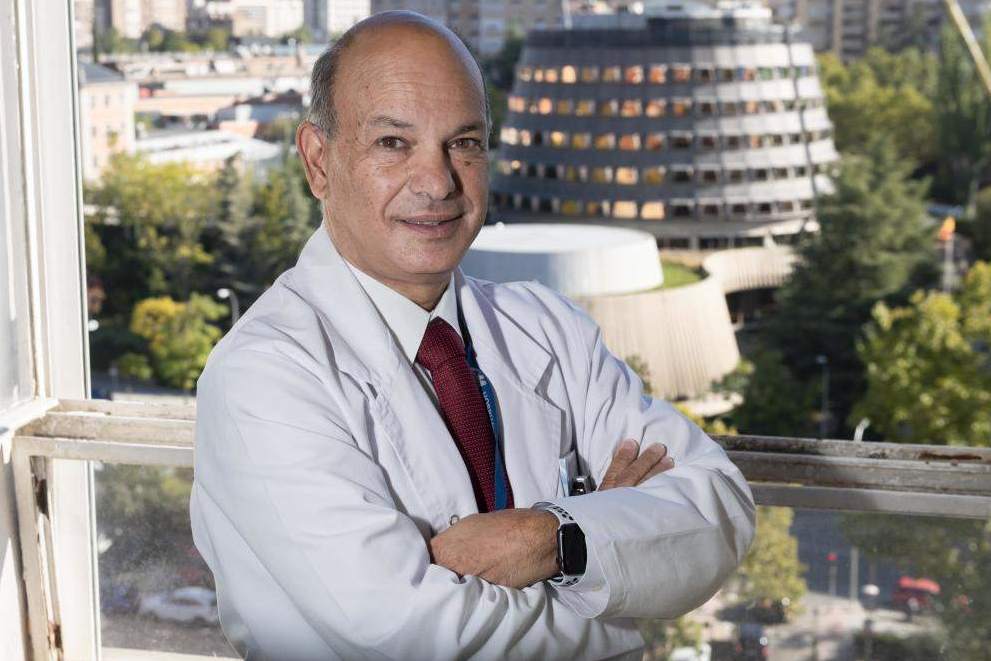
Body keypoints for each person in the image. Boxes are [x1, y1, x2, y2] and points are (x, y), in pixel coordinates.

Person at [190, 11, 755, 660]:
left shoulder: (547, 327)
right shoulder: (261, 378)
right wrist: (613, 567)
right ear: (319, 161)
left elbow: (719, 508)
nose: (437, 183)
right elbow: (408, 632)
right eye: (393, 144)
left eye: (463, 143)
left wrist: (550, 538)